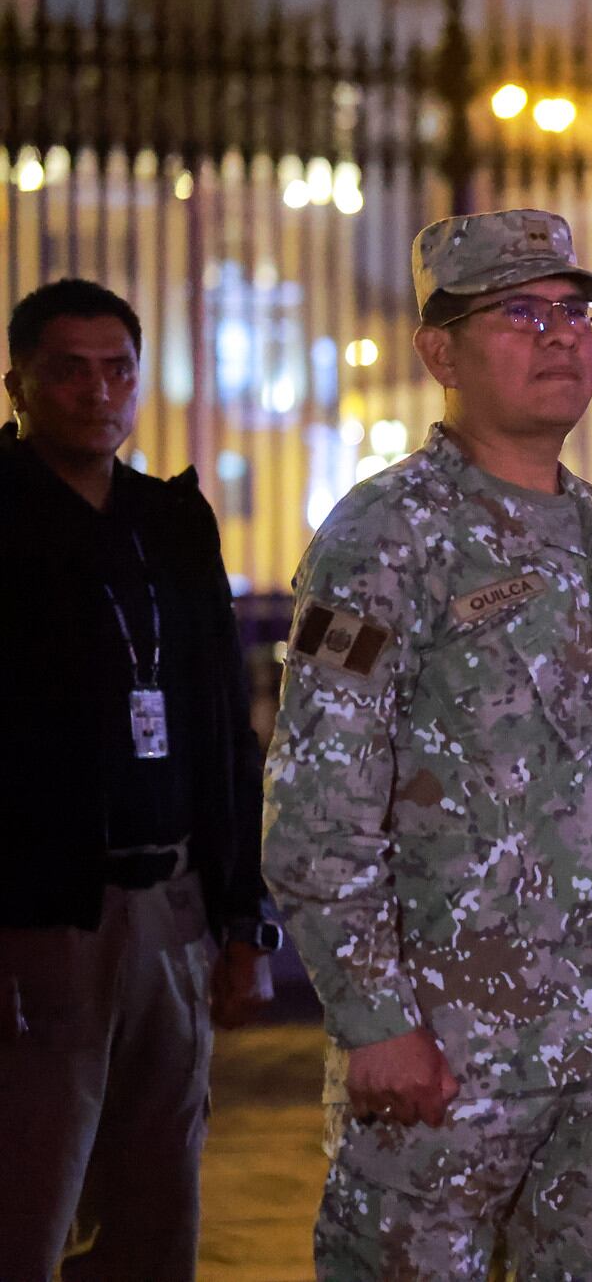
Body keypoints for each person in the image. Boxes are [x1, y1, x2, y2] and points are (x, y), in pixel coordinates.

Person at [262, 210, 592, 1279]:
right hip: (445, 1056)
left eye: (574, 311)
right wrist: (375, 1020)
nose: (559, 335)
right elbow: (319, 800)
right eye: (519, 312)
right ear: (439, 352)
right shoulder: (385, 535)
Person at [0, 278, 275, 1280]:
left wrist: (244, 919)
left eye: (117, 369)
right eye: (67, 369)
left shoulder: (171, 523)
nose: (96, 390)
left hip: (173, 906)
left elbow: (224, 732)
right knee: (26, 1202)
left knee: (159, 1209)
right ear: (18, 383)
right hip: (42, 921)